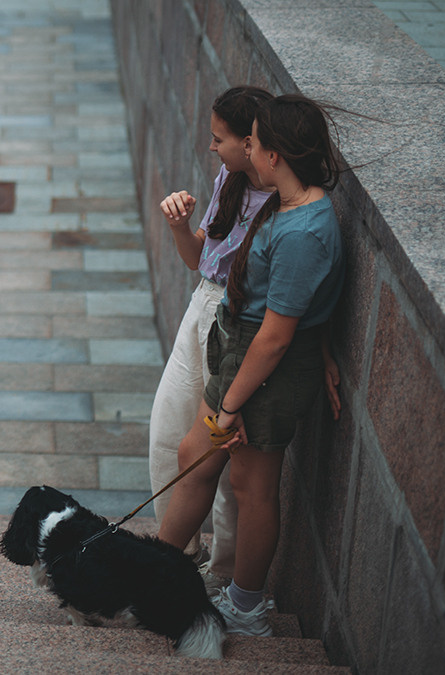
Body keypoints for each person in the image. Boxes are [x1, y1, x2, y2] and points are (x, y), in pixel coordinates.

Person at [155, 94, 347, 637]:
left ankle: (246, 606)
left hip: (264, 366)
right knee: (195, 455)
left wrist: (232, 406)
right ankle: (156, 575)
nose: (247, 149)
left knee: (252, 485)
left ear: (275, 156)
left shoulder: (304, 230)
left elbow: (279, 334)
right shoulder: (286, 207)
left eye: (255, 142)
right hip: (242, 348)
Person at [148, 86, 274, 595]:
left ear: (252, 143)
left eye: (218, 139)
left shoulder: (287, 202)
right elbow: (199, 259)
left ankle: (223, 575)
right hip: (204, 305)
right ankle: (180, 552)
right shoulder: (232, 176)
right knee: (167, 435)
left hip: (241, 324)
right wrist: (180, 226)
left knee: (225, 461)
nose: (210, 148)